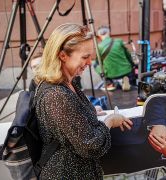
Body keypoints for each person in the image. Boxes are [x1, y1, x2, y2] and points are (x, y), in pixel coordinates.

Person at [33, 23, 133, 179]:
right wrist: (110, 121)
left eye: (90, 56)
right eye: (85, 57)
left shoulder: (67, 83)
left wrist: (89, 111)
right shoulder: (56, 96)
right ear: (63, 55)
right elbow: (91, 145)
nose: (89, 62)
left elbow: (69, 123)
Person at [95, 26, 135, 91]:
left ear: (99, 35)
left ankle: (109, 83)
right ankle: (128, 83)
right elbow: (128, 55)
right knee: (132, 85)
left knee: (95, 64)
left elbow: (99, 62)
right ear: (109, 33)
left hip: (111, 74)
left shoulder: (99, 46)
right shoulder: (119, 41)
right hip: (126, 71)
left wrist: (103, 72)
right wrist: (132, 65)